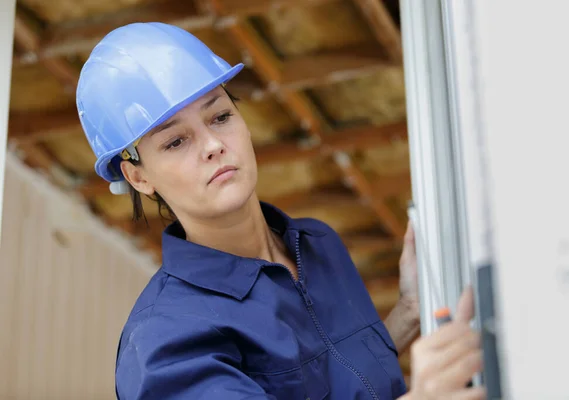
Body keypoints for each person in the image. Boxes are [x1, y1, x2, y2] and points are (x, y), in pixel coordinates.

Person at [76, 22, 485, 400]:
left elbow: (335, 377)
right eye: (175, 142)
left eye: (220, 116)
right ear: (137, 177)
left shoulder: (316, 245)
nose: (213, 145)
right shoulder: (165, 339)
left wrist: (409, 312)